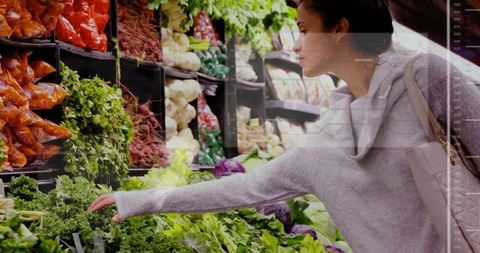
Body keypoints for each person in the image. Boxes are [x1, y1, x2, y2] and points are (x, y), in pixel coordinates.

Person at [89, 0, 480, 252]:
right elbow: (247, 188)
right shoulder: (329, 137)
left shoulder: (426, 78)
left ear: (340, 29)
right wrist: (142, 201)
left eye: (305, 29)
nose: (296, 44)